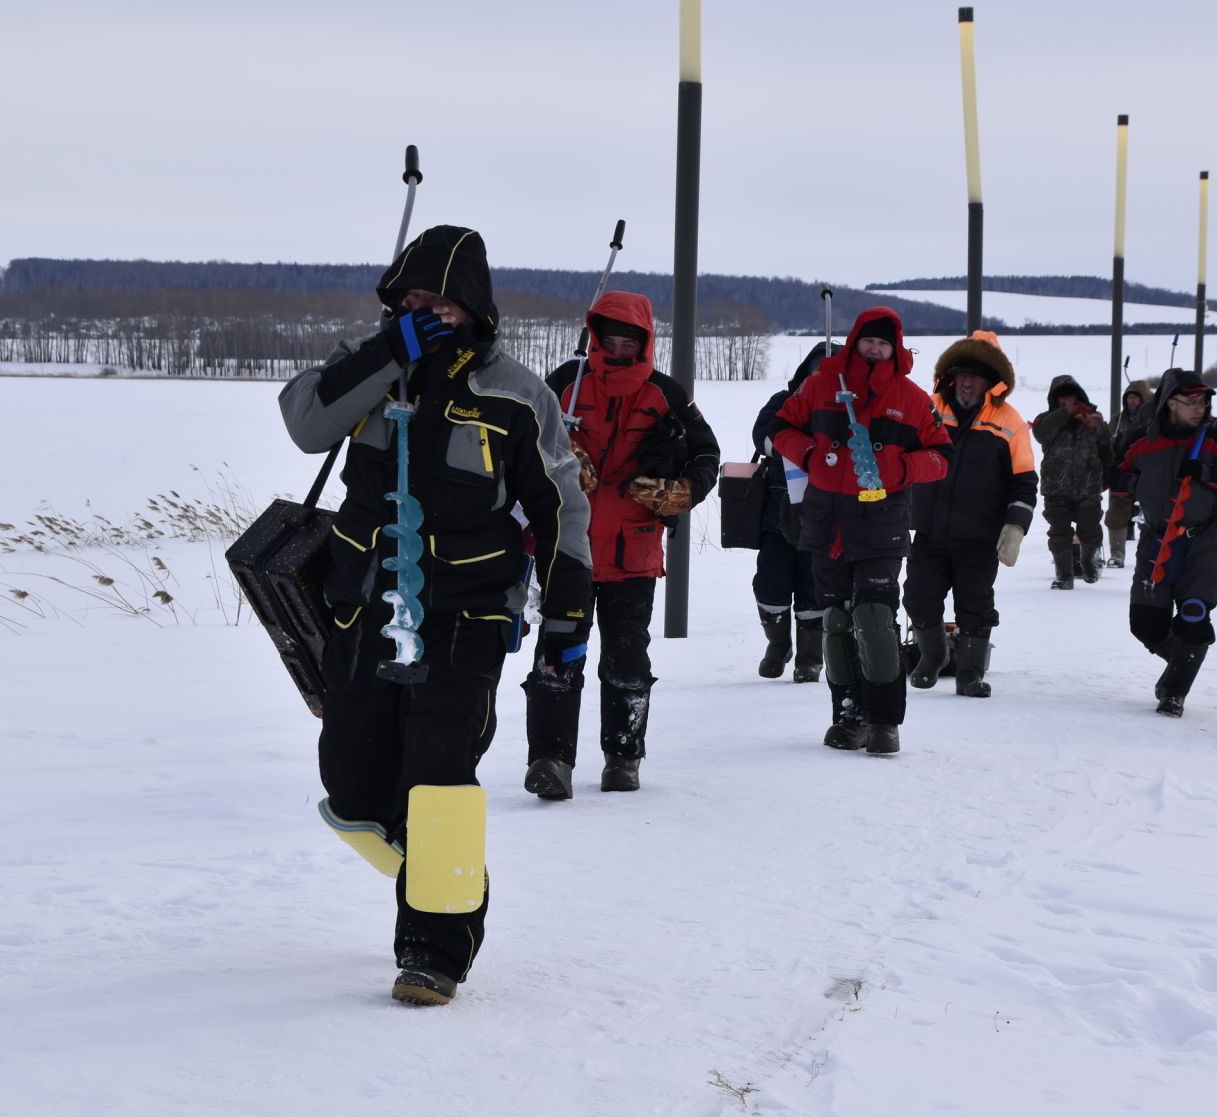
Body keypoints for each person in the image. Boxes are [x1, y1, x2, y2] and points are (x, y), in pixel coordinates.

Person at [278, 225, 592, 1006]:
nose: (423, 312)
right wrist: (388, 354)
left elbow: (562, 512)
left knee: (439, 776)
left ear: (475, 312)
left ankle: (434, 947)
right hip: (365, 604)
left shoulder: (518, 395)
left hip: (468, 615)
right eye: (411, 300)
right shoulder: (370, 372)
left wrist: (564, 623)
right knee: (350, 782)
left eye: (439, 303)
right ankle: (435, 863)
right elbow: (305, 423)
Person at [525, 290, 720, 799]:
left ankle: (623, 758)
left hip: (632, 555)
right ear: (595, 336)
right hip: (567, 549)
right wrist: (560, 463)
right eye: (608, 337)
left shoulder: (666, 393)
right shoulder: (565, 385)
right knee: (556, 658)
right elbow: (521, 442)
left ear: (644, 341)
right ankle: (550, 761)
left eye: (627, 338)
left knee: (627, 662)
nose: (616, 346)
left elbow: (707, 453)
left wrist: (682, 493)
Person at [772, 307, 950, 753]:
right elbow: (780, 427)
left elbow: (941, 456)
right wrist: (810, 453)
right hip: (826, 521)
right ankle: (847, 713)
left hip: (882, 523)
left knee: (874, 619)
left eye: (883, 343)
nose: (875, 349)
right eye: (869, 341)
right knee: (836, 620)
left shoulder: (910, 397)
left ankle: (884, 720)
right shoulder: (820, 386)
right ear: (854, 341)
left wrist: (900, 465)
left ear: (895, 348)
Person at [1110, 370, 1217, 717]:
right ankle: (1182, 663)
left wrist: (1205, 473)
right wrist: (1137, 486)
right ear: (1170, 403)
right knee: (1145, 624)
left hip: (1199, 543)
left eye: (1204, 401)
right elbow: (1116, 476)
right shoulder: (1141, 441)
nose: (1199, 408)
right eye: (1191, 402)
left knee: (1194, 617)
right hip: (1155, 542)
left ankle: (1174, 691)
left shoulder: (1214, 440)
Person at [905, 332, 1037, 697]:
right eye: (962, 374)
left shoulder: (1010, 422)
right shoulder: (929, 408)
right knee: (918, 596)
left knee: (975, 605)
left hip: (979, 538)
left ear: (991, 383)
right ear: (951, 376)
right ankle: (932, 657)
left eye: (976, 376)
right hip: (929, 532)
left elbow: (1024, 482)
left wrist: (1015, 527)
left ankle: (970, 673)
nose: (967, 382)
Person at [749, 343, 829, 682]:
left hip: (821, 514)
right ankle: (778, 645)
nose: (818, 379)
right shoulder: (783, 402)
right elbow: (761, 436)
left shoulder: (844, 409)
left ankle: (810, 658)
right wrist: (794, 444)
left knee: (813, 586)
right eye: (815, 371)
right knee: (770, 584)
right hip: (776, 514)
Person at [1030, 373, 1112, 590]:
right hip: (1056, 489)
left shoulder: (1094, 419)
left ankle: (1088, 563)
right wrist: (1063, 414)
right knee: (1059, 533)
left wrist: (1110, 476)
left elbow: (1106, 449)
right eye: (1063, 401)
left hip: (1088, 488)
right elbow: (1040, 433)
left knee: (1090, 531)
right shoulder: (1046, 420)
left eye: (1072, 401)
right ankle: (1064, 576)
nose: (1068, 405)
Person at [1105, 379, 1154, 569]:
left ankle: (1148, 555)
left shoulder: (1154, 419)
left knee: (1150, 515)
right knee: (1117, 513)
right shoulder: (1118, 421)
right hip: (1124, 472)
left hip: (1148, 473)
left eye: (1136, 398)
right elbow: (1108, 444)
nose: (1131, 402)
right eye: (1129, 398)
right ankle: (1117, 555)